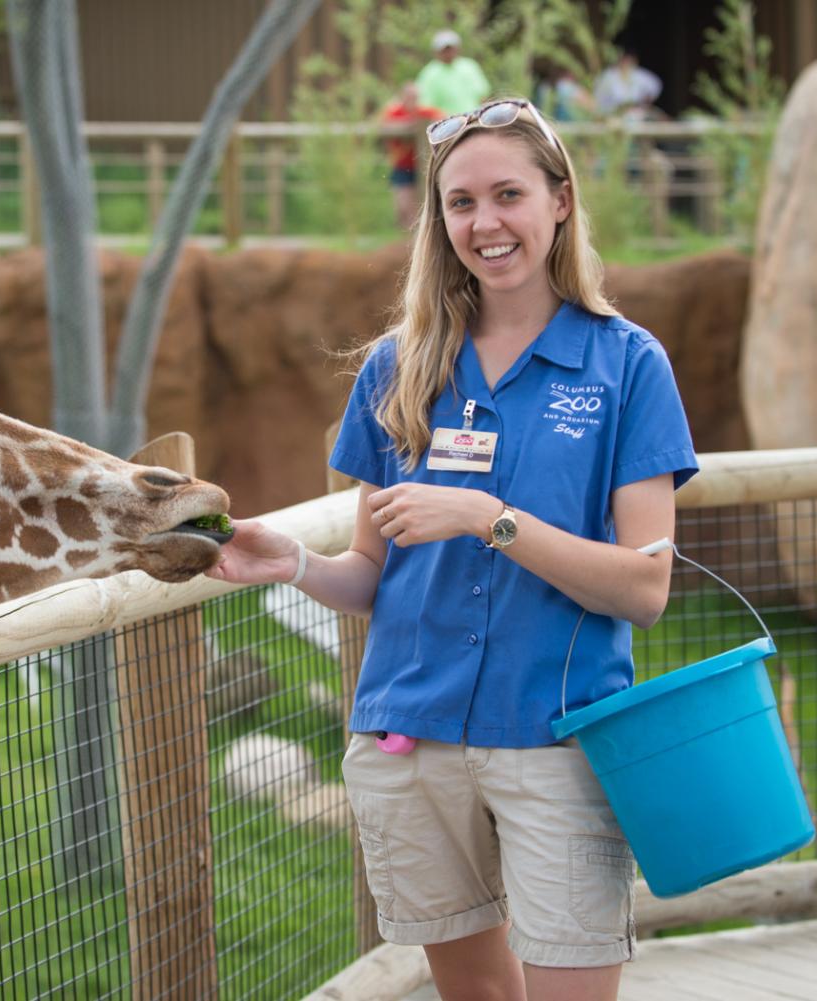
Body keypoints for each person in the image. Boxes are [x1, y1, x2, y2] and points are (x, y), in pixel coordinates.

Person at [207, 98, 697, 1001]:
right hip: (412, 739)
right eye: (460, 203)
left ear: (559, 201)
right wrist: (296, 565)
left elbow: (645, 586)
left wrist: (486, 517)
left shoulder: (628, 366)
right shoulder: (397, 368)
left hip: (560, 739)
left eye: (508, 193)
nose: (485, 222)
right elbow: (370, 575)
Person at [380, 82, 444, 229]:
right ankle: (405, 240)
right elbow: (384, 125)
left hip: (420, 167)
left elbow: (442, 117)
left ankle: (416, 239)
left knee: (418, 208)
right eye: (409, 96)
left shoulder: (423, 112)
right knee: (402, 207)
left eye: (415, 97)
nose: (412, 100)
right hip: (401, 166)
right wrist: (408, 125)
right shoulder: (395, 113)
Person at [416, 28, 492, 116]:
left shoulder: (470, 66)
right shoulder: (429, 74)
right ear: (436, 51)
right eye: (445, 50)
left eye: (450, 49)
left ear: (458, 49)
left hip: (474, 118)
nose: (448, 53)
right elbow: (424, 106)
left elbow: (483, 95)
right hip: (445, 124)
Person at [593, 49, 663, 118]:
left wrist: (644, 104)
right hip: (611, 113)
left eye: (630, 61)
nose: (626, 64)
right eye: (625, 60)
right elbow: (598, 97)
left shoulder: (639, 74)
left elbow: (654, 86)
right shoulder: (608, 75)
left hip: (636, 112)